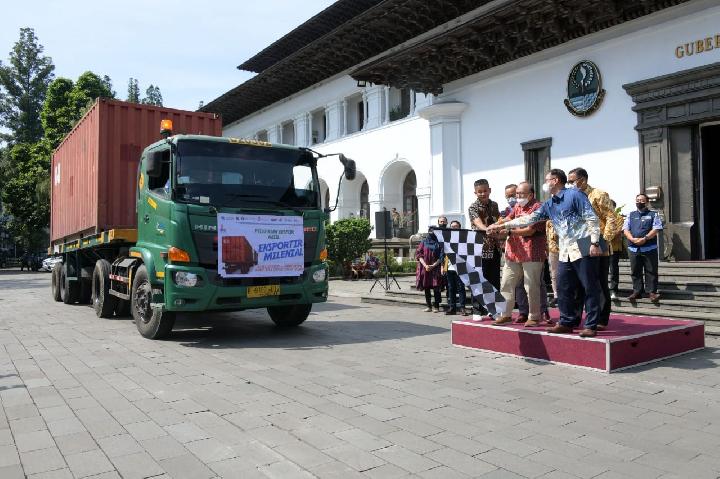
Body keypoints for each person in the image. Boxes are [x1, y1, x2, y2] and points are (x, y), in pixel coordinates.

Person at [488, 169, 603, 337]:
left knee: (589, 287)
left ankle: (591, 325)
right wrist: (502, 226)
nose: (545, 182)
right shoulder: (549, 204)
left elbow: (591, 218)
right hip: (565, 250)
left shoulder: (575, 195)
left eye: (547, 179)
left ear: (555, 180)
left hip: (584, 244)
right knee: (563, 287)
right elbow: (529, 218)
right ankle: (566, 322)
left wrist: (595, 242)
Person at [567, 168, 619, 330]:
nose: (569, 184)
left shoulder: (598, 194)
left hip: (598, 244)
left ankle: (601, 319)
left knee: (598, 283)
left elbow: (612, 218)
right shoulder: (572, 197)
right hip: (577, 244)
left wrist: (602, 241)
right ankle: (575, 317)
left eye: (571, 181)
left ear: (582, 180)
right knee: (577, 284)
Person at [493, 182, 548, 327]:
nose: (517, 197)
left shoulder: (539, 207)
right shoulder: (517, 206)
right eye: (516, 194)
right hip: (513, 251)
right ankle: (505, 314)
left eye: (521, 194)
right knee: (506, 283)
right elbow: (508, 218)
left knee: (531, 286)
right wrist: (495, 225)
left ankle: (534, 317)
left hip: (532, 252)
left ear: (531, 194)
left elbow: (530, 230)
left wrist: (509, 231)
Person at [624, 194, 662, 302]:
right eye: (637, 200)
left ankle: (652, 292)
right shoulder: (630, 214)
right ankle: (637, 291)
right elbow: (625, 229)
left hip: (649, 247)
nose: (639, 202)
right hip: (633, 248)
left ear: (647, 202)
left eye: (642, 200)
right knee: (635, 270)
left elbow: (656, 228)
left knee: (651, 270)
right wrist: (632, 239)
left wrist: (645, 238)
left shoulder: (653, 214)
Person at [468, 179, 501, 290]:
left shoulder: (494, 205)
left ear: (489, 190)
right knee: (480, 278)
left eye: (485, 191)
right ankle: (479, 307)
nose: (483, 194)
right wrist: (486, 229)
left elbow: (499, 220)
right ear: (475, 193)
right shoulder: (473, 207)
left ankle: (495, 305)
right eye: (480, 191)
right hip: (480, 248)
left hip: (495, 247)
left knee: (495, 278)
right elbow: (477, 222)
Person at [443, 220, 469, 316]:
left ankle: (462, 308)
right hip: (449, 267)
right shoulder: (447, 238)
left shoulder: (463, 238)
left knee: (461, 288)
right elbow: (444, 253)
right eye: (452, 226)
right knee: (451, 288)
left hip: (460, 267)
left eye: (456, 226)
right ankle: (452, 307)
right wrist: (443, 266)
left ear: (459, 227)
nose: (454, 228)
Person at [415, 229, 444, 313]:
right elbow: (419, 254)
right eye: (430, 232)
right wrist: (425, 265)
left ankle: (436, 307)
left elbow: (441, 256)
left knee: (436, 288)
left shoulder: (439, 242)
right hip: (425, 268)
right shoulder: (423, 242)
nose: (432, 234)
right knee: (426, 287)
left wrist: (433, 265)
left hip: (435, 268)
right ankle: (429, 306)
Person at [609, 200, 624, 300]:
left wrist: (604, 237)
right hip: (602, 248)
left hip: (614, 247)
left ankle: (614, 290)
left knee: (613, 269)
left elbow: (617, 232)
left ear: (614, 207)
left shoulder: (619, 218)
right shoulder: (601, 217)